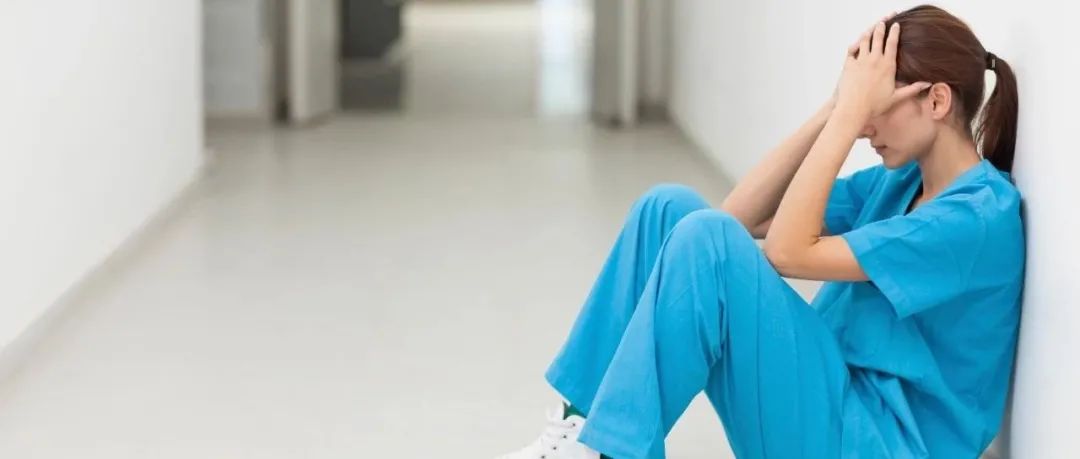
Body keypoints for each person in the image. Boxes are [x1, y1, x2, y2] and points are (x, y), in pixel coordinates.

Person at [496, 4, 1024, 459]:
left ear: (936, 101)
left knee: (708, 238)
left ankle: (612, 451)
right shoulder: (903, 182)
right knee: (667, 208)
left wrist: (846, 121)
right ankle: (580, 427)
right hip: (830, 400)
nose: (865, 127)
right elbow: (740, 216)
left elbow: (787, 252)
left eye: (874, 109)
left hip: (876, 442)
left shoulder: (974, 220)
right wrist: (834, 108)